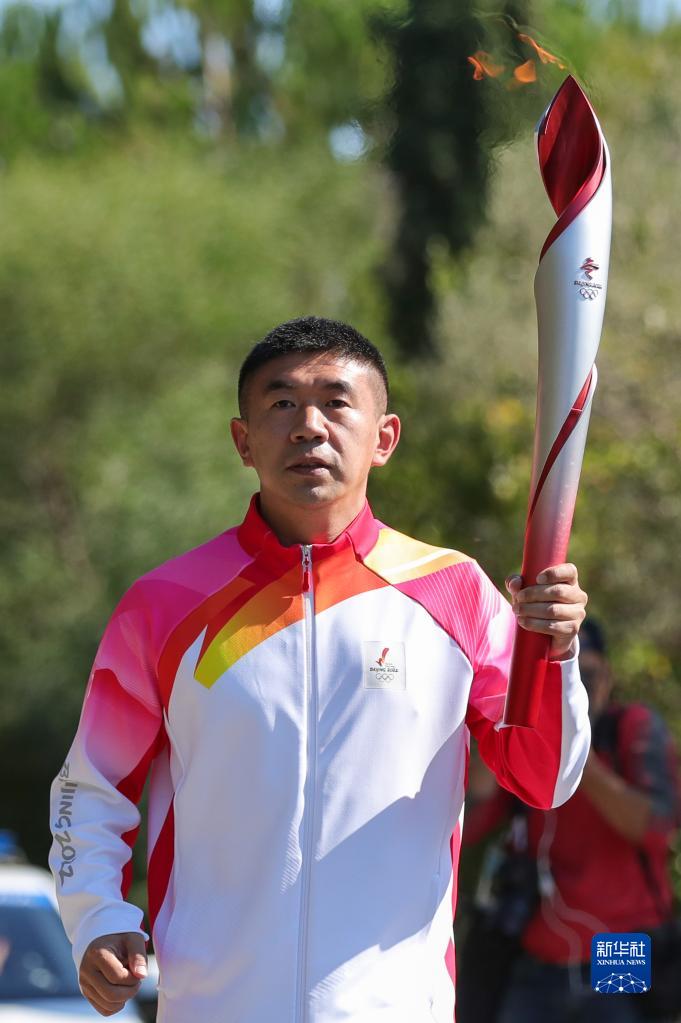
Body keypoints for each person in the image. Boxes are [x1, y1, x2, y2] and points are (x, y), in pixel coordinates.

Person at [49, 316, 590, 1022]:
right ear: (244, 441)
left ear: (384, 437)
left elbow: (544, 778)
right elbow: (93, 788)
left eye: (336, 402)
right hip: (217, 1008)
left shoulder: (455, 594)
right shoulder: (166, 604)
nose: (309, 426)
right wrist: (96, 916)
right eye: (281, 403)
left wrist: (554, 654)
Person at [461, 618, 680, 1023]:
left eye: (586, 675)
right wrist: (506, 720)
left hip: (619, 947)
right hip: (538, 953)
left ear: (607, 678)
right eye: (566, 676)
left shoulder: (631, 727)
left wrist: (577, 751)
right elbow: (469, 826)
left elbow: (655, 828)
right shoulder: (530, 742)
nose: (576, 687)